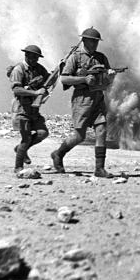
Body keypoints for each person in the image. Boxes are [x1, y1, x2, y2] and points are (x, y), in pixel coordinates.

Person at [50, 28, 117, 177]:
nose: (94, 44)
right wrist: (83, 79)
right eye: (91, 41)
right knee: (80, 135)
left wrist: (111, 76)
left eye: (96, 42)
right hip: (82, 99)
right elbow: (65, 78)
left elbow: (106, 81)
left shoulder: (101, 58)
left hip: (98, 98)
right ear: (84, 41)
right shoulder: (75, 58)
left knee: (101, 130)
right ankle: (58, 154)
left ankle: (99, 169)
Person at [9, 45, 50, 173]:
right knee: (26, 139)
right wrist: (35, 93)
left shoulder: (39, 69)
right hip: (21, 109)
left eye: (36, 57)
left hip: (34, 109)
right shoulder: (19, 70)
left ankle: (20, 149)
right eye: (30, 56)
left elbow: (48, 79)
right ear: (26, 55)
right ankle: (18, 167)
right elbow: (16, 89)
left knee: (43, 133)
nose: (33, 59)